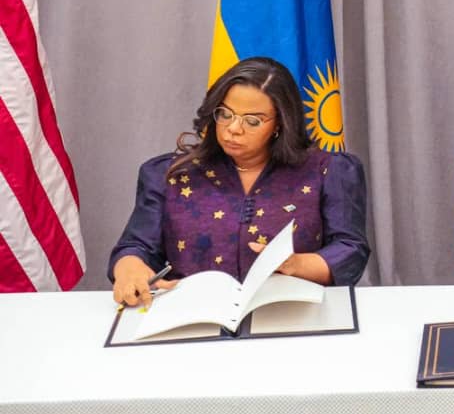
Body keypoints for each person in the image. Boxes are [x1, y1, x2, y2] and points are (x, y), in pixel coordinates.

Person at [109, 57, 369, 307]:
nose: (233, 128)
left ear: (279, 123)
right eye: (225, 114)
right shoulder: (170, 174)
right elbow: (136, 246)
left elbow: (350, 250)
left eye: (252, 121)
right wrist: (130, 267)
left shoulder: (329, 171)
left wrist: (293, 264)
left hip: (291, 317)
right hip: (193, 318)